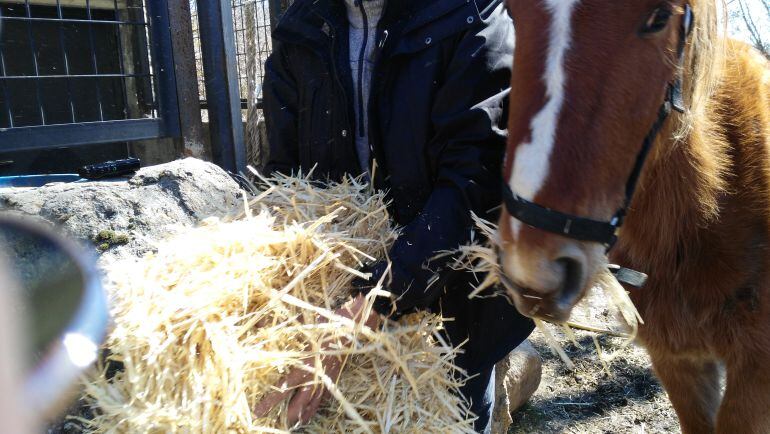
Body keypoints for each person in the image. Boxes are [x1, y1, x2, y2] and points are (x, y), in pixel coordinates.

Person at [256, 0, 535, 432]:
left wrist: (376, 298)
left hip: (450, 319)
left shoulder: (471, 13)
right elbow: (287, 179)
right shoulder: (301, 25)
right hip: (333, 303)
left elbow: (476, 179)